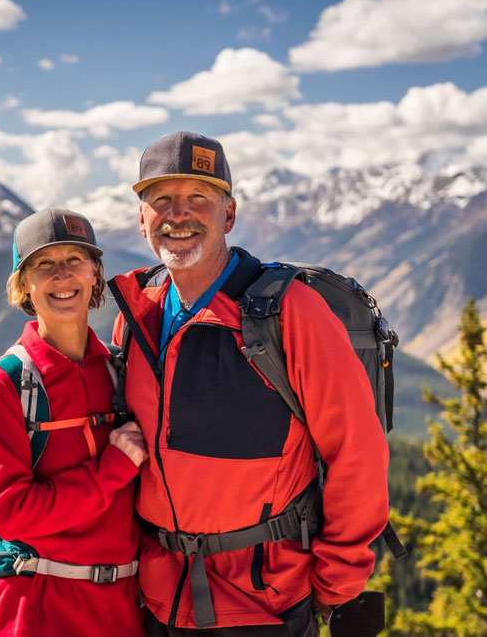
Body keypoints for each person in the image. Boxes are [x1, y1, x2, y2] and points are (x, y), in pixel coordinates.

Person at [106, 132, 390, 636]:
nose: (178, 215)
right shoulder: (138, 311)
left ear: (229, 215)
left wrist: (338, 582)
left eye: (199, 199)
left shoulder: (288, 312)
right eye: (161, 200)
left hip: (264, 603)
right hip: (157, 598)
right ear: (142, 218)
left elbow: (357, 451)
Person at [0, 208, 148, 637]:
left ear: (95, 275)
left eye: (74, 260)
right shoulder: (3, 384)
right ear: (24, 286)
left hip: (122, 607)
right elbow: (12, 512)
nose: (62, 276)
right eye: (43, 265)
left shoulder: (120, 370)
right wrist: (111, 472)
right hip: (37, 608)